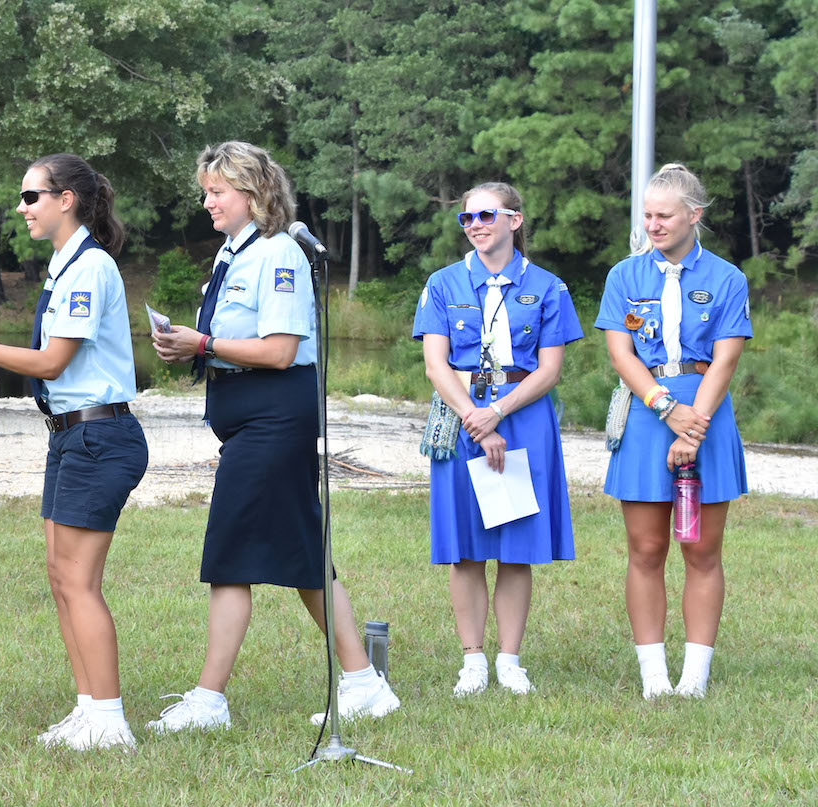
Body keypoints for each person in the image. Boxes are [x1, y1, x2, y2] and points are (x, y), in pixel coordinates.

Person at [149, 141, 399, 731]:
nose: (207, 202)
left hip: (274, 417)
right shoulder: (233, 253)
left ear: (254, 194)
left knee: (230, 555)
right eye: (205, 191)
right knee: (303, 553)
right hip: (248, 415)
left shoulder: (277, 252)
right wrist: (187, 345)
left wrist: (203, 344)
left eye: (218, 191)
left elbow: (281, 351)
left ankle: (209, 701)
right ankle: (364, 682)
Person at [0, 153, 147, 751]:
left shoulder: (90, 268)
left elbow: (52, 362)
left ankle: (110, 720)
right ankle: (87, 708)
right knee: (60, 576)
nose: (21, 208)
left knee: (80, 582)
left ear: (65, 199)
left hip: (99, 436)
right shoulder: (63, 264)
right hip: (69, 435)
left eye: (31, 197)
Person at [413, 182, 583, 697]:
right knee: (465, 547)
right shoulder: (443, 284)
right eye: (466, 219)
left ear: (514, 220)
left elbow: (549, 369)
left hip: (522, 414)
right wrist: (473, 416)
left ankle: (510, 660)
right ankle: (473, 661)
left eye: (486, 215)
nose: (475, 226)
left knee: (514, 546)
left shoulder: (548, 286)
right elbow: (435, 363)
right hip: (463, 414)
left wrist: (498, 413)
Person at [595, 163, 751, 699]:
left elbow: (726, 359)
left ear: (694, 216)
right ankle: (654, 678)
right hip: (647, 412)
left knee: (703, 550)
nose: (653, 225)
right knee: (645, 548)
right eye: (647, 216)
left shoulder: (728, 278)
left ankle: (695, 678)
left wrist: (693, 429)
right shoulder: (625, 276)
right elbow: (621, 351)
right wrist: (665, 408)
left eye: (663, 215)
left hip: (707, 411)